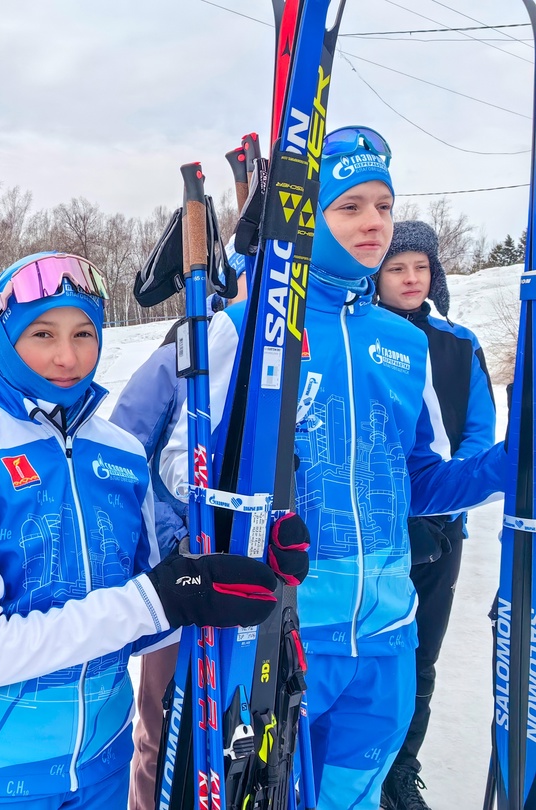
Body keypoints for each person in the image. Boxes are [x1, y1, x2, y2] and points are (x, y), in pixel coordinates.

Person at [160, 127, 510, 810]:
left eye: (383, 204)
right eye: (350, 207)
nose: (373, 221)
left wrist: (505, 467)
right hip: (278, 633)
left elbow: (416, 483)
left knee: (353, 797)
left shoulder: (403, 343)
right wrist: (255, 507)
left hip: (384, 638)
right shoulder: (246, 327)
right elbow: (178, 466)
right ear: (310, 218)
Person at [0, 251, 311, 809]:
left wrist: (233, 560)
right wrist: (156, 599)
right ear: (2, 337)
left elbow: (151, 622)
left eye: (84, 333)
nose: (67, 356)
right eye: (42, 333)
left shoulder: (121, 454)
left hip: (105, 760)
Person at [116, 248, 249, 810]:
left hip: (248, 571)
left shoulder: (287, 357)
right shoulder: (180, 352)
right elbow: (127, 451)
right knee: (164, 716)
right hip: (183, 565)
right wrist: (168, 539)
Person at [373, 222, 495, 810]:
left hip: (443, 526)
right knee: (374, 650)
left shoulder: (458, 343)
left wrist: (444, 502)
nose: (410, 278)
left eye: (420, 267)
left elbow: (478, 433)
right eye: (398, 268)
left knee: (423, 652)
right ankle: (365, 764)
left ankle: (403, 768)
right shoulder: (363, 338)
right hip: (376, 527)